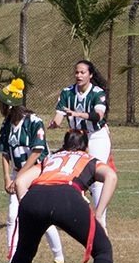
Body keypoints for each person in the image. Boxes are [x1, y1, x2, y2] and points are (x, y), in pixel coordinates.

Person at [4, 129, 120, 263]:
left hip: (35, 197)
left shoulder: (51, 158)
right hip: (67, 196)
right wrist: (98, 215)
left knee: (24, 253)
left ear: (65, 144)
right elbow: (111, 176)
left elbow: (21, 182)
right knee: (102, 250)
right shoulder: (87, 158)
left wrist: (29, 206)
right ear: (85, 146)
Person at [0, 78, 65, 263]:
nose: (0, 106)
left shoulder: (34, 122)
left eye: (2, 103)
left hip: (39, 171)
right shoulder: (6, 125)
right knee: (12, 216)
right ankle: (13, 261)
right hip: (19, 174)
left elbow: (37, 151)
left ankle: (59, 258)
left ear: (10, 105)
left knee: (40, 216)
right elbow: (4, 153)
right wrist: (8, 178)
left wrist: (20, 177)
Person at [48, 60, 113, 226]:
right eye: (77, 72)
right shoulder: (67, 92)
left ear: (90, 75)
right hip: (77, 138)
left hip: (96, 136)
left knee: (96, 177)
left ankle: (100, 220)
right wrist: (55, 123)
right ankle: (74, 215)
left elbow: (97, 115)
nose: (79, 75)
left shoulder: (98, 93)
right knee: (71, 174)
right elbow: (60, 115)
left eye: (83, 72)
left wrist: (77, 114)